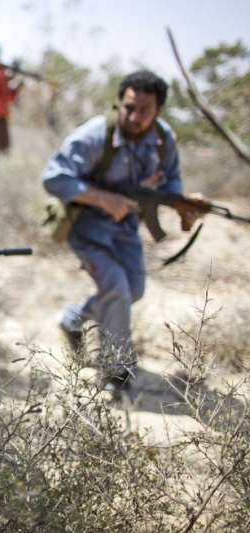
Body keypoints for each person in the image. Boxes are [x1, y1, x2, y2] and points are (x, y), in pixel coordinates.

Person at [42, 70, 202, 395]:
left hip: (126, 228)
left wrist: (183, 205)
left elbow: (169, 180)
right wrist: (102, 197)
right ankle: (117, 371)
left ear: (158, 111)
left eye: (144, 110)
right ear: (120, 103)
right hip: (86, 227)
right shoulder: (94, 136)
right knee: (115, 286)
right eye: (128, 107)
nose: (134, 116)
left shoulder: (163, 139)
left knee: (133, 291)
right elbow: (53, 177)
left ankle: (72, 319)